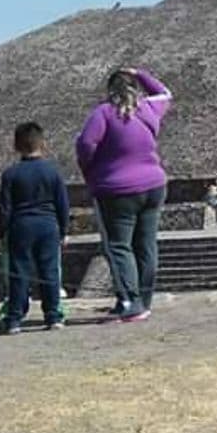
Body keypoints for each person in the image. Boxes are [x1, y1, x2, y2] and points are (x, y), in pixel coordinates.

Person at [76, 67, 171, 323]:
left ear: (110, 91)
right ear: (135, 88)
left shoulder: (103, 113)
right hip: (154, 184)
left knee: (118, 247)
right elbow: (164, 92)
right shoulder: (149, 109)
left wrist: (91, 170)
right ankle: (142, 301)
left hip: (116, 190)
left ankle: (130, 303)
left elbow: (85, 143)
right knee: (146, 244)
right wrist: (140, 73)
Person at [0, 123, 70, 333]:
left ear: (16, 146)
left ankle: (14, 319)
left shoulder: (11, 174)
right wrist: (64, 230)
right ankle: (53, 316)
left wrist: (1, 232)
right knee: (50, 271)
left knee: (19, 272)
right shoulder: (52, 172)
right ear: (43, 144)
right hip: (48, 225)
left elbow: (5, 207)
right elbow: (62, 204)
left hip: (20, 226)